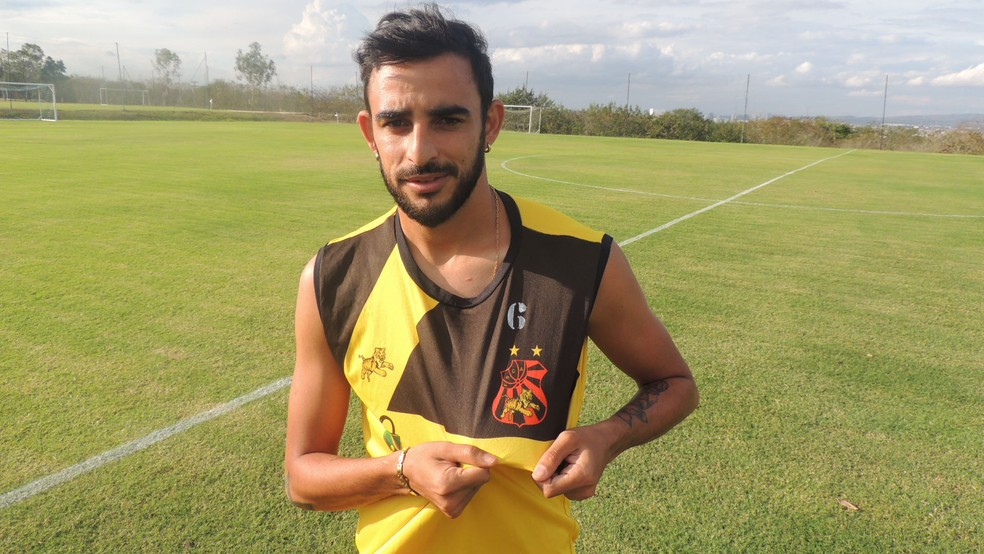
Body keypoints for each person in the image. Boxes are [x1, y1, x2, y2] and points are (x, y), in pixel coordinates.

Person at [284, 4, 698, 552]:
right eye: (396, 123)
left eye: (448, 120)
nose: (420, 151)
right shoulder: (332, 278)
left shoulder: (580, 260)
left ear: (491, 123)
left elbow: (675, 384)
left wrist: (606, 437)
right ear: (369, 132)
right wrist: (401, 470)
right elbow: (303, 477)